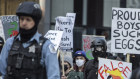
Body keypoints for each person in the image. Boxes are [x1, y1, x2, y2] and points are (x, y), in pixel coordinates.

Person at [0, 1, 60, 79]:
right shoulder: (9, 43)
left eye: (28, 20)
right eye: (21, 19)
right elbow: (2, 73)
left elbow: (54, 76)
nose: (24, 23)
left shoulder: (46, 46)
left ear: (35, 22)